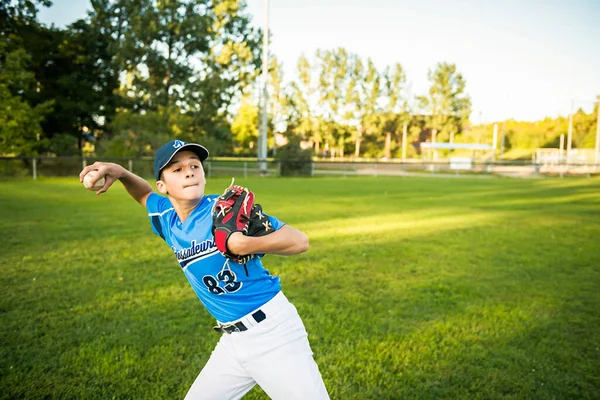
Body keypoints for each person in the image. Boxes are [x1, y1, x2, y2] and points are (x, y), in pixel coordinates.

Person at [79, 140, 329, 400]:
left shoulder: (224, 211)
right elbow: (143, 194)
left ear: (204, 175)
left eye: (194, 166)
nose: (188, 172)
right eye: (176, 169)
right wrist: (120, 172)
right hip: (232, 342)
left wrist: (244, 243)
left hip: (273, 334)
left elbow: (300, 241)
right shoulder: (166, 218)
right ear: (162, 186)